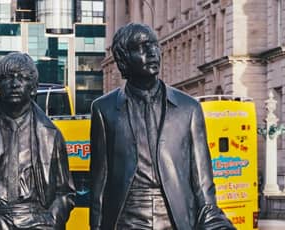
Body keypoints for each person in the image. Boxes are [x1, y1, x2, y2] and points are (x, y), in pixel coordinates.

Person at [89, 23, 235, 230]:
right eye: (142, 46)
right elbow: (99, 183)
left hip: (176, 217)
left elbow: (203, 183)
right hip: (126, 218)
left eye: (154, 45)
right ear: (123, 59)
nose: (152, 52)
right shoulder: (104, 109)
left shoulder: (189, 108)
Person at [0, 52, 75, 230]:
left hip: (38, 222)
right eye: (7, 78)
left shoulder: (51, 135)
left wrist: (51, 221)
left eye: (23, 78)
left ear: (34, 87)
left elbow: (65, 192)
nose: (14, 84)